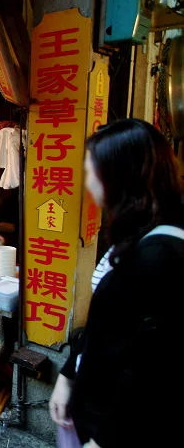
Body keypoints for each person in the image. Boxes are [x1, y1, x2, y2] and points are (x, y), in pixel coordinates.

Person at [49, 119, 183, 448]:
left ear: (118, 175)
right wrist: (68, 375)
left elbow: (152, 369)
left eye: (91, 169)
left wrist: (105, 439)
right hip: (90, 410)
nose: (87, 179)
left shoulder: (160, 257)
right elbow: (103, 327)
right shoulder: (138, 233)